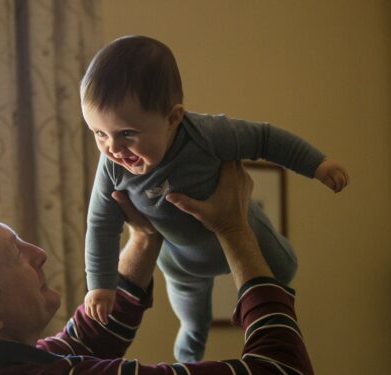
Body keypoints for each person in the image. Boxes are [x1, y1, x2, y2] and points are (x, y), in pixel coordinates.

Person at [0, 161, 313, 374]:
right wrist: (235, 230)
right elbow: (281, 370)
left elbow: (85, 341)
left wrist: (144, 239)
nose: (37, 253)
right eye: (14, 254)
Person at [82, 34, 349, 361]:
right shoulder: (111, 167)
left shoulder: (206, 135)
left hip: (243, 227)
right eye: (99, 133)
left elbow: (265, 139)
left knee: (285, 270)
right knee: (193, 321)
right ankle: (188, 360)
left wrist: (318, 164)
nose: (113, 148)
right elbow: (100, 225)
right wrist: (100, 285)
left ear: (172, 118)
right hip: (182, 261)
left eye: (127, 133)